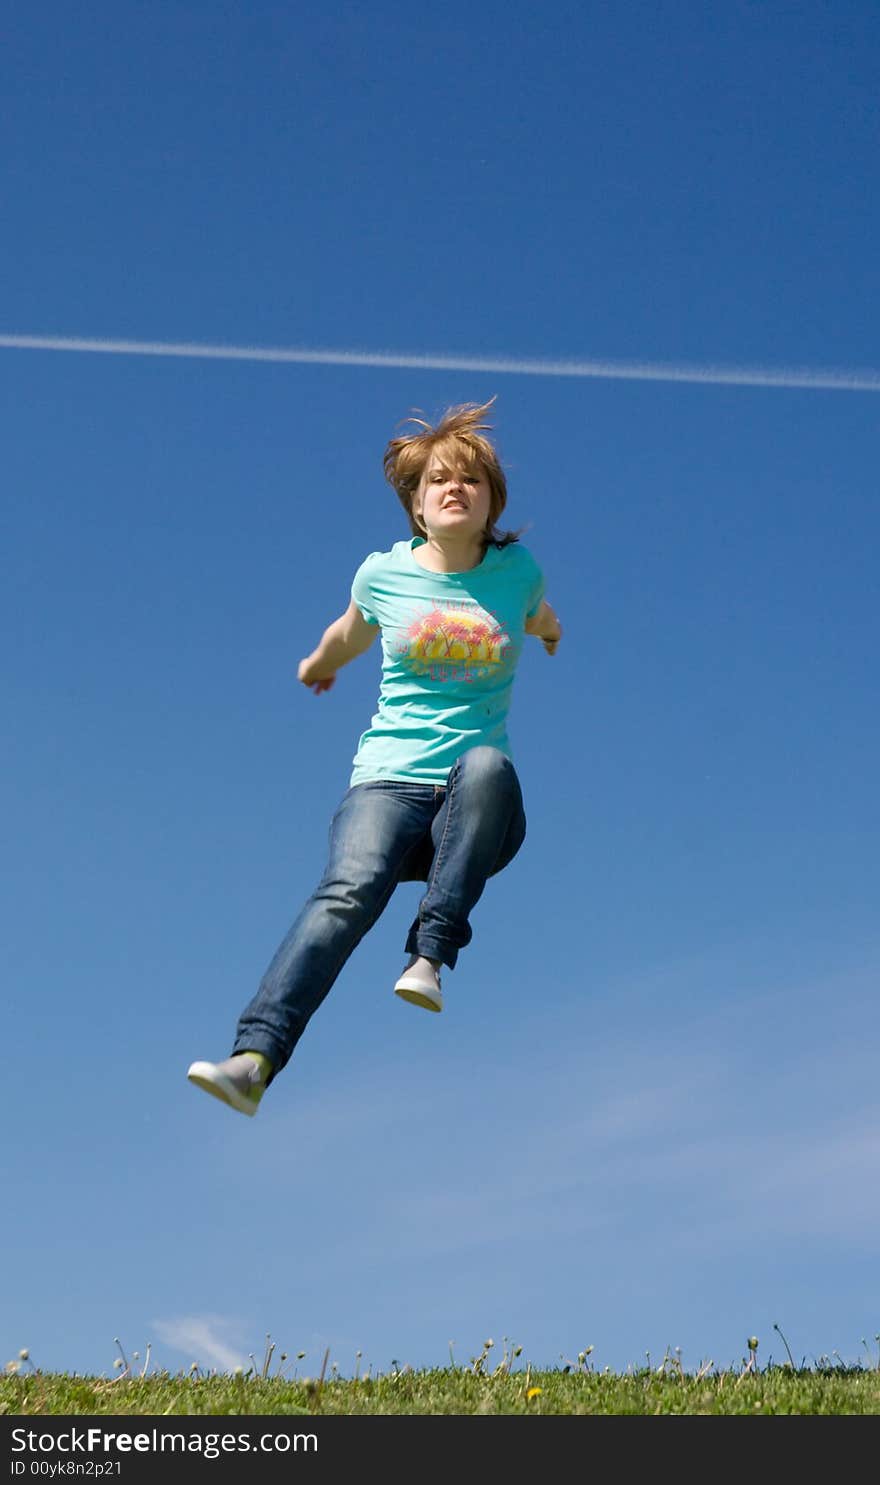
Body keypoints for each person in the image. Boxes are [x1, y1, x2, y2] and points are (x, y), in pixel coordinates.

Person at [187, 398, 562, 1116]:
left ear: (491, 503)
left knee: (488, 766)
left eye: (471, 482)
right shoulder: (383, 575)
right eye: (439, 481)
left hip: (472, 814)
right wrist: (315, 664)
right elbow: (347, 634)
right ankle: (253, 1059)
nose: (455, 488)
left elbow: (541, 613)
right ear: (418, 506)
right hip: (387, 784)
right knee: (345, 894)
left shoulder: (518, 574)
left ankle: (429, 955)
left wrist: (549, 633)